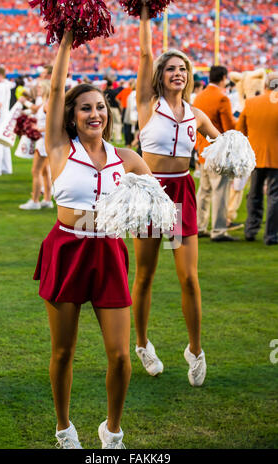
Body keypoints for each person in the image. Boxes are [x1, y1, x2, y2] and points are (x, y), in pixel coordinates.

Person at [33, 30, 153, 449]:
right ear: (71, 116)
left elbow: (155, 198)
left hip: (108, 251)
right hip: (67, 248)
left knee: (120, 355)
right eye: (85, 108)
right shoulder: (59, 149)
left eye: (100, 107)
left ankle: (112, 431)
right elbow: (54, 87)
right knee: (63, 352)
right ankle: (64, 428)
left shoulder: (127, 158)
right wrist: (66, 37)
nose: (95, 114)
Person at [132, 4, 220, 386]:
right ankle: (141, 343)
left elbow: (224, 142)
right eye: (171, 68)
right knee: (146, 274)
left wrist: (233, 152)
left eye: (183, 69)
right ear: (160, 75)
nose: (178, 73)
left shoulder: (196, 115)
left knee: (189, 278)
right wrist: (146, 12)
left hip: (183, 190)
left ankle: (195, 350)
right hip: (150, 191)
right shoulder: (146, 104)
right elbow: (145, 53)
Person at [194, 65, 242, 241]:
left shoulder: (200, 96)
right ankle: (219, 230)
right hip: (218, 151)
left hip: (202, 150)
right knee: (220, 191)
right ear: (223, 78)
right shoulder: (222, 98)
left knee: (204, 191)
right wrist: (241, 120)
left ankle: (199, 226)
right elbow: (229, 127)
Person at [236, 72, 278, 245]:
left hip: (254, 156)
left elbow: (240, 130)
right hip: (276, 157)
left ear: (265, 86)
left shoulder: (251, 102)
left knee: (254, 194)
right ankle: (271, 235)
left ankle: (251, 230)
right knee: (275, 196)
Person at [19, 80, 53, 210]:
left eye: (40, 87)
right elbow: (35, 111)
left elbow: (55, 124)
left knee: (36, 171)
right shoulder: (45, 102)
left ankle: (35, 201)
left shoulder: (48, 103)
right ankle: (47, 199)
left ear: (46, 88)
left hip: (43, 141)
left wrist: (38, 129)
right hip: (44, 140)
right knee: (45, 171)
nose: (38, 89)